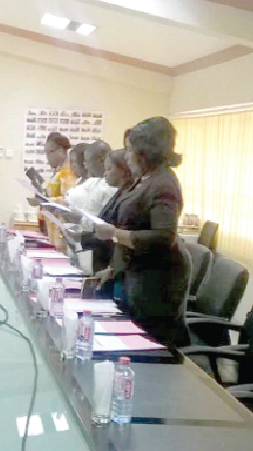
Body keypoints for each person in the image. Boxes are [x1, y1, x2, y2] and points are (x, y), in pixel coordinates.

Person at [94, 117, 191, 347]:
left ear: (144, 152)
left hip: (156, 282)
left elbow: (163, 236)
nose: (126, 157)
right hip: (135, 273)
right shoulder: (144, 180)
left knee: (147, 345)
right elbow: (133, 225)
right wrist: (113, 269)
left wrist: (115, 233)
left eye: (129, 150)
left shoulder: (163, 183)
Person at [77, 149, 135, 274]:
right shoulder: (119, 193)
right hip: (104, 257)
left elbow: (116, 231)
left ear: (123, 171)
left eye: (109, 169)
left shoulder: (128, 196)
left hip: (116, 263)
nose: (105, 174)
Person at [65, 140, 117, 215]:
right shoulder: (93, 181)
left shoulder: (111, 185)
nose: (85, 167)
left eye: (87, 161)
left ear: (101, 160)